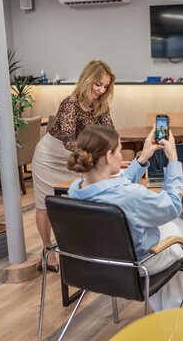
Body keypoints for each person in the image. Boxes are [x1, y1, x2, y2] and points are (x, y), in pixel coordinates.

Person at [67, 124, 183, 311]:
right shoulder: (131, 196)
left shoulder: (75, 190)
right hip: (136, 264)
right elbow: (172, 206)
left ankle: (170, 308)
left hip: (94, 264)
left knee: (181, 224)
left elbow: (115, 187)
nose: (122, 157)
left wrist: (143, 157)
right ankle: (181, 313)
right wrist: (173, 160)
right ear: (108, 156)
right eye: (120, 151)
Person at [32, 59, 121, 272]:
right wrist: (99, 156)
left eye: (106, 86)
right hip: (51, 155)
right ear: (87, 79)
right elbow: (69, 140)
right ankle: (48, 251)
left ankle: (78, 250)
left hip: (76, 156)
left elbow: (110, 132)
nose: (101, 89)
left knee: (77, 204)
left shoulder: (101, 104)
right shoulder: (70, 103)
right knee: (45, 205)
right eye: (98, 84)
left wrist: (116, 152)